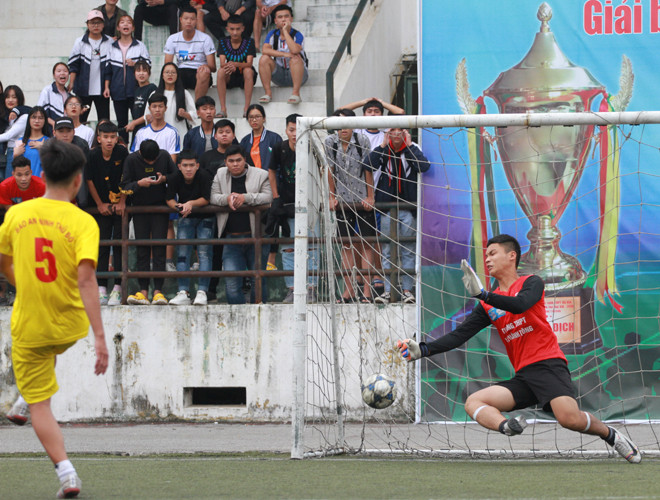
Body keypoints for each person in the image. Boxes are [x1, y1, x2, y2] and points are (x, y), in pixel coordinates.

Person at [396, 234, 642, 464]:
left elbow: (520, 305)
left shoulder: (531, 283)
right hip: (524, 376)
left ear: (511, 256)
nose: (487, 259)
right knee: (473, 401)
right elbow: (460, 335)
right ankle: (507, 427)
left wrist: (483, 294)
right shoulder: (487, 304)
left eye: (493, 253)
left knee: (569, 419)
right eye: (486, 255)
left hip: (548, 365)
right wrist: (424, 349)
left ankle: (611, 435)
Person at [0, 139, 109, 498]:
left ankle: (67, 474)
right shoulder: (84, 222)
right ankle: (23, 400)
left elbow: (3, 263)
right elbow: (86, 280)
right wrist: (99, 337)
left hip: (31, 325)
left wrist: (23, 283)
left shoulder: (16, 215)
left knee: (40, 405)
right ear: (78, 180)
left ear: (41, 175)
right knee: (50, 349)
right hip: (70, 325)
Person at [366, 124, 430, 304]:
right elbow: (368, 164)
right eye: (392, 130)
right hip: (387, 208)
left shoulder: (412, 147)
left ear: (405, 133)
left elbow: (423, 166)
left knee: (408, 250)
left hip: (407, 208)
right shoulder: (383, 149)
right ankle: (388, 291)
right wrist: (382, 145)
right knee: (387, 250)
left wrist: (408, 146)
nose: (395, 134)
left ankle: (407, 290)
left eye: (399, 130)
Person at [210, 144, 272, 304]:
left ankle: (259, 314)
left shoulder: (261, 174)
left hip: (257, 237)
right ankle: (237, 315)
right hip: (231, 239)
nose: (235, 164)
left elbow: (268, 197)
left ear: (245, 160)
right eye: (231, 161)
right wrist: (227, 199)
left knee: (258, 280)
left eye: (238, 160)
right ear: (225, 162)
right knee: (231, 283)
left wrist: (245, 198)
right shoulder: (220, 174)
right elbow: (213, 197)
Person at [325, 108, 375, 303]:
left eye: (346, 124)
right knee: (346, 245)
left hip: (362, 199)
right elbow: (330, 170)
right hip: (343, 201)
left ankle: (367, 291)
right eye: (338, 124)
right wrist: (332, 196)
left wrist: (370, 196)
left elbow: (368, 169)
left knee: (367, 244)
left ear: (353, 125)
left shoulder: (362, 141)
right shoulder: (330, 142)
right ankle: (349, 290)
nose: (343, 128)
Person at [268, 113, 318, 303]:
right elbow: (271, 171)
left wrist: (326, 197)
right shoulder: (279, 148)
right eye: (291, 129)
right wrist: (275, 196)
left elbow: (324, 171)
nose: (295, 133)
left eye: (298, 129)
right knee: (288, 248)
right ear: (286, 130)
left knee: (312, 247)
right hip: (287, 204)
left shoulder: (313, 147)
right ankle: (292, 289)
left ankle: (311, 288)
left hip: (310, 204)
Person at [121, 139, 177, 305]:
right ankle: (143, 291)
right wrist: (139, 184)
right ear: (140, 154)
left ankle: (158, 291)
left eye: (154, 160)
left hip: (160, 208)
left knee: (159, 248)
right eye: (148, 161)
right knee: (142, 250)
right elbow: (124, 186)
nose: (152, 163)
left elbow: (176, 177)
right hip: (140, 209)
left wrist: (164, 179)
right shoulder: (131, 160)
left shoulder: (164, 156)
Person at [86, 121, 128, 306]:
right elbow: (89, 180)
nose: (109, 141)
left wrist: (122, 201)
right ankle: (101, 288)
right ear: (99, 138)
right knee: (102, 245)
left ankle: (118, 288)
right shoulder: (92, 155)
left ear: (117, 138)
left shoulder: (122, 153)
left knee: (119, 245)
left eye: (112, 137)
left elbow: (127, 178)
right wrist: (99, 204)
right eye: (105, 137)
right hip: (101, 206)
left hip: (120, 207)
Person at [167, 150, 214, 306]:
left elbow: (207, 198)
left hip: (205, 216)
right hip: (185, 217)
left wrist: (190, 204)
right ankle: (183, 292)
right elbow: (169, 198)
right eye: (185, 165)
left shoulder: (204, 176)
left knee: (204, 253)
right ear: (179, 166)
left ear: (197, 165)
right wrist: (179, 207)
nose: (188, 169)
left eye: (192, 165)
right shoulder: (174, 177)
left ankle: (202, 292)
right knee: (182, 254)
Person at [200, 118, 238, 300]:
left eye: (228, 132)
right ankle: (211, 289)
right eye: (221, 132)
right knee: (213, 250)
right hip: (212, 210)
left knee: (238, 249)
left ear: (234, 135)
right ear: (214, 136)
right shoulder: (206, 157)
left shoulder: (241, 154)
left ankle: (243, 287)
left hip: (236, 210)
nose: (224, 135)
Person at [103, 14, 151, 143]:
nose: (126, 24)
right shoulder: (112, 47)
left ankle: (138, 146)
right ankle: (123, 147)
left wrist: (135, 64)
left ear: (133, 27)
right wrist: (107, 87)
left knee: (138, 121)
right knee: (121, 122)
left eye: (129, 22)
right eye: (122, 22)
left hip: (136, 91)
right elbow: (108, 70)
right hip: (117, 91)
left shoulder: (139, 46)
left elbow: (148, 65)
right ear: (118, 27)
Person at [68, 10, 114, 123]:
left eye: (99, 22)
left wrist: (107, 87)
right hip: (83, 90)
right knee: (80, 120)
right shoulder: (80, 42)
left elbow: (110, 68)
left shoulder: (109, 41)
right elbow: (74, 65)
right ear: (87, 24)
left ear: (103, 25)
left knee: (104, 121)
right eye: (93, 23)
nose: (96, 25)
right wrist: (71, 83)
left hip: (102, 91)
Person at [258, 4, 308, 105]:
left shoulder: (297, 35)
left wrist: (285, 31)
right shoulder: (272, 34)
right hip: (280, 74)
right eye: (280, 17)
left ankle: (296, 94)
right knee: (264, 58)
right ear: (275, 21)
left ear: (291, 19)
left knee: (295, 58)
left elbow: (294, 50)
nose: (283, 19)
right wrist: (284, 54)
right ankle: (268, 93)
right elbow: (265, 50)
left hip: (299, 75)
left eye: (286, 16)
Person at [163, 7, 217, 101]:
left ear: (196, 21)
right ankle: (176, 105)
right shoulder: (173, 39)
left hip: (198, 72)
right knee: (169, 72)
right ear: (181, 20)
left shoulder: (205, 38)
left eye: (192, 19)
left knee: (204, 72)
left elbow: (213, 67)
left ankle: (197, 106)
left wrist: (206, 66)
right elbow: (167, 64)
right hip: (181, 71)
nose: (189, 21)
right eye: (186, 18)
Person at [216, 15, 257, 118]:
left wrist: (236, 64)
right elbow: (222, 63)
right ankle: (223, 109)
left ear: (243, 29)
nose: (235, 32)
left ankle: (246, 109)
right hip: (230, 75)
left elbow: (249, 63)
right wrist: (231, 66)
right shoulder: (223, 41)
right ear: (227, 29)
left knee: (248, 70)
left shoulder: (249, 41)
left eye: (238, 29)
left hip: (245, 75)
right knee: (221, 71)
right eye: (232, 29)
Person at [131, 93, 181, 162]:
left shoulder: (172, 132)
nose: (157, 110)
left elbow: (172, 159)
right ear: (149, 108)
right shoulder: (141, 132)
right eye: (154, 106)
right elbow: (135, 157)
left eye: (160, 106)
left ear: (165, 108)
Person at [340, 97, 405, 150]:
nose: (373, 114)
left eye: (377, 112)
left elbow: (401, 112)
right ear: (364, 115)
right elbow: (339, 112)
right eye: (369, 111)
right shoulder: (357, 132)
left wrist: (381, 103)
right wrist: (363, 102)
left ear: (382, 115)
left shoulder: (386, 134)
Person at [155, 62, 198, 142]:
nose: (170, 75)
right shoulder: (155, 94)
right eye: (167, 72)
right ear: (162, 76)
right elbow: (147, 115)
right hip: (159, 135)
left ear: (177, 75)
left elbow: (194, 115)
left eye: (173, 72)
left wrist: (184, 114)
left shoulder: (184, 93)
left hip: (180, 133)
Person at [239, 104, 281, 170]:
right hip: (250, 175)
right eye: (251, 117)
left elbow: (280, 162)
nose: (254, 120)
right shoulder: (245, 141)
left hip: (269, 175)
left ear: (264, 118)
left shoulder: (274, 138)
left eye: (257, 116)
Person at [0, 85, 29, 180]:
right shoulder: (9, 115)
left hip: (16, 152)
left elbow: (8, 135)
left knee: (11, 182)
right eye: (7, 97)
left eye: (14, 97)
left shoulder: (24, 117)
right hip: (8, 152)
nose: (10, 100)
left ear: (19, 99)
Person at [13, 106, 51, 178]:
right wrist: (15, 156)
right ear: (29, 120)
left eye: (40, 118)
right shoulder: (20, 141)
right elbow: (15, 168)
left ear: (45, 121)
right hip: (24, 182)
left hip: (42, 182)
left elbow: (53, 165)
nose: (37, 121)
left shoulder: (50, 141)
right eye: (34, 117)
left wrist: (45, 149)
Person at [124, 60, 158, 139]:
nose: (141, 73)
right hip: (138, 129)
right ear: (134, 74)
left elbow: (151, 113)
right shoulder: (137, 90)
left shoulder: (152, 88)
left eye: (144, 71)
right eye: (138, 71)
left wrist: (134, 123)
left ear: (149, 73)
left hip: (148, 129)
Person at [38, 62, 72, 129]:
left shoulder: (69, 95)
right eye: (59, 71)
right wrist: (54, 124)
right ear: (54, 75)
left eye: (65, 71)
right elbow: (40, 111)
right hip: (50, 130)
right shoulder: (47, 90)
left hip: (65, 129)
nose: (62, 73)